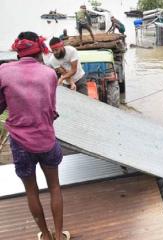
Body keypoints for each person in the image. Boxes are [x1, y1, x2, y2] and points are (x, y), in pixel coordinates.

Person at [1, 31, 69, 240]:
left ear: (18, 53)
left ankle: (46, 236)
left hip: (20, 144)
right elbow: (51, 110)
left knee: (32, 191)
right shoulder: (49, 74)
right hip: (46, 140)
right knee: (55, 187)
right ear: (40, 51)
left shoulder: (3, 72)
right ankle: (59, 235)